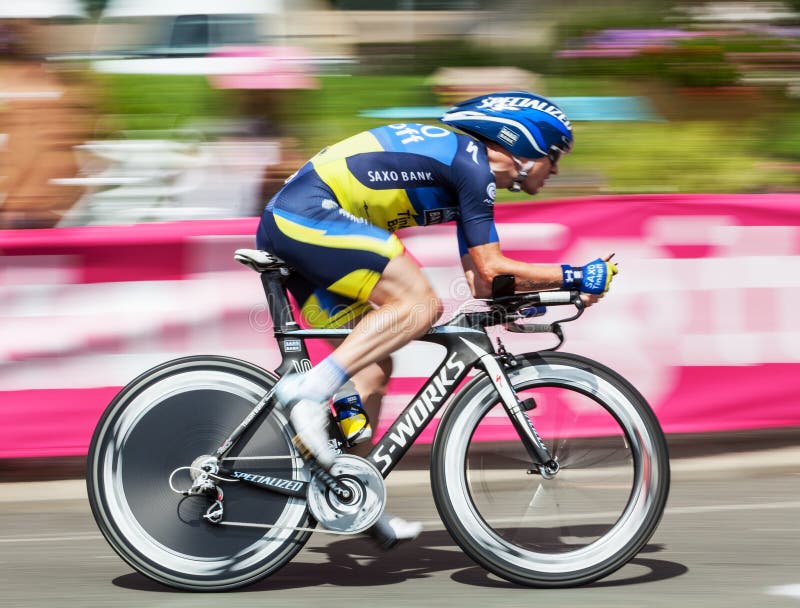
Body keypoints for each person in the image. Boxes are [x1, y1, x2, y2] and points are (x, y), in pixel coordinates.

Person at [255, 91, 617, 545]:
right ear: (525, 145)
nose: (557, 169)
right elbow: (490, 268)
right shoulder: (472, 165)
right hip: (306, 215)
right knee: (420, 305)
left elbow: (485, 283)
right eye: (554, 155)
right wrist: (575, 274)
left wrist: (546, 291)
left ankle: (351, 498)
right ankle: (306, 392)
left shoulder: (469, 169)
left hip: (298, 220)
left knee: (371, 369)